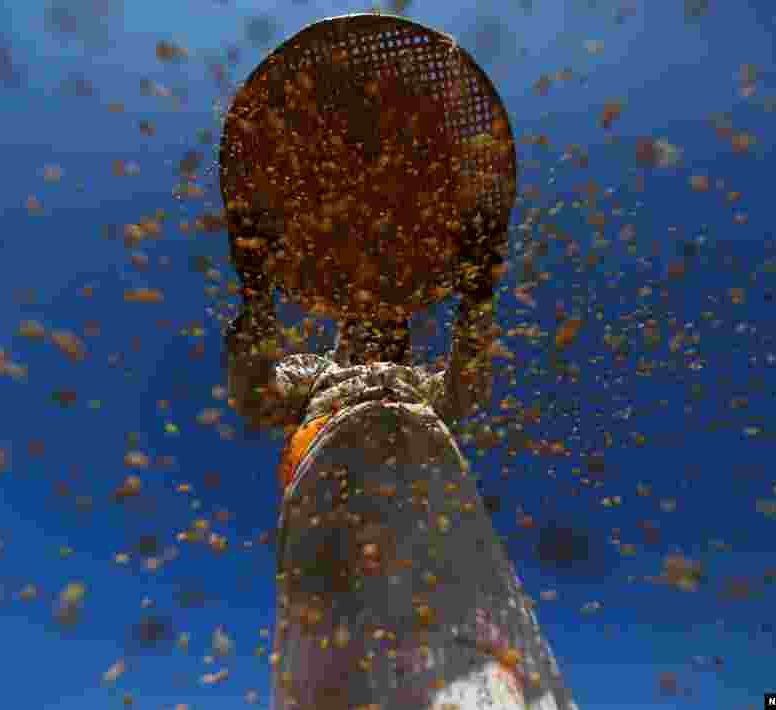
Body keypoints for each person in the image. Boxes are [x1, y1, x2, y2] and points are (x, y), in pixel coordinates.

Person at [224, 206, 579, 710]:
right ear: (344, 330)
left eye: (394, 320)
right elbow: (255, 393)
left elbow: (467, 384)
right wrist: (255, 293)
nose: (381, 324)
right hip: (332, 484)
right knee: (341, 637)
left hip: (430, 485)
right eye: (367, 316)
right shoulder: (316, 374)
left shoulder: (421, 387)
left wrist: (477, 297)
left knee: (466, 611)